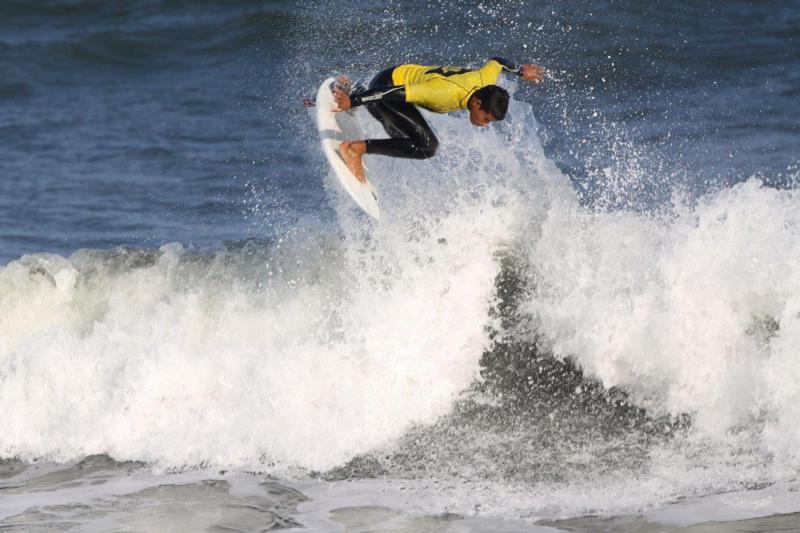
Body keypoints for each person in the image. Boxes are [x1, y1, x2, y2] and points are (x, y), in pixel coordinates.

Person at [331, 57, 546, 182]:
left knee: (401, 137)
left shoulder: (485, 80)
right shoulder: (443, 93)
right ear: (477, 104)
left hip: (398, 82)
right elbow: (394, 92)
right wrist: (354, 101)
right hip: (388, 85)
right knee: (426, 146)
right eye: (485, 118)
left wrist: (519, 70)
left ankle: (356, 90)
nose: (484, 124)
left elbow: (497, 62)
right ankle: (354, 148)